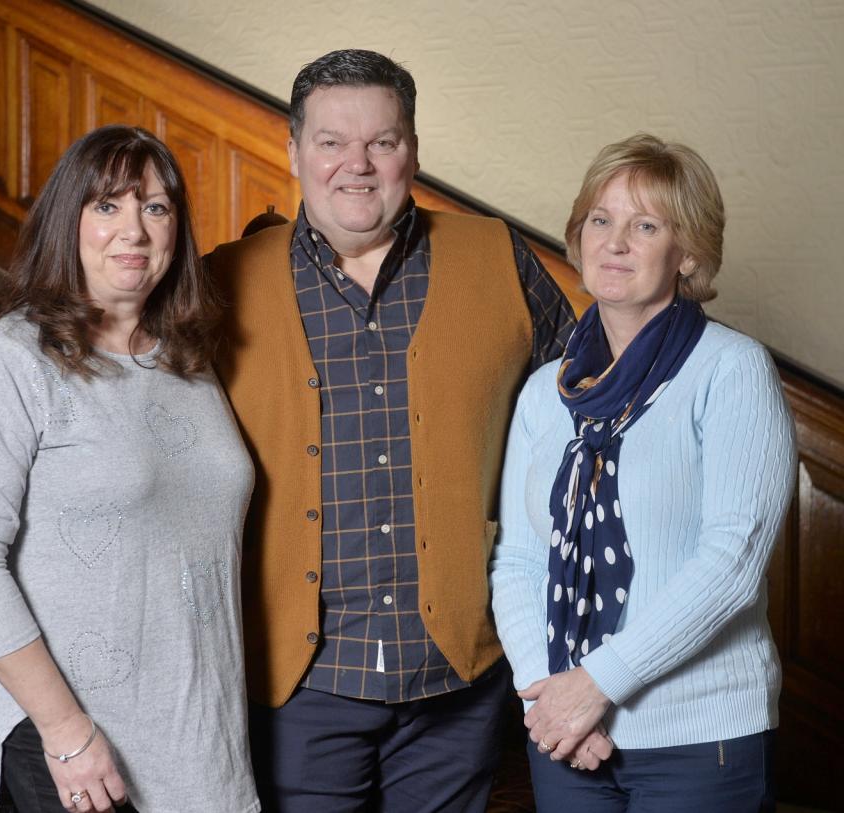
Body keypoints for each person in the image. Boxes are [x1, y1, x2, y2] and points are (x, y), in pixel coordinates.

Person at [207, 49, 576, 812]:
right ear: (294, 152)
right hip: (298, 685)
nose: (357, 165)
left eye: (382, 141)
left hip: (457, 677)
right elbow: (139, 434)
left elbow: (584, 430)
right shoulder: (221, 280)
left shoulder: (499, 258)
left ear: (413, 149)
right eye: (331, 142)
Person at [0, 126, 258, 812]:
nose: (133, 229)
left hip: (201, 737)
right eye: (107, 205)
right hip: (80, 745)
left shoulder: (187, 361)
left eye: (157, 208)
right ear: (66, 220)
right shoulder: (8, 360)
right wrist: (66, 732)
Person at [490, 133, 796, 812]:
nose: (616, 241)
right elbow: (516, 558)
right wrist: (551, 692)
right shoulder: (548, 389)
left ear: (687, 253)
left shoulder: (731, 369)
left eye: (646, 225)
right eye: (601, 220)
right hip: (567, 733)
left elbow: (732, 562)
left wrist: (596, 683)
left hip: (700, 738)